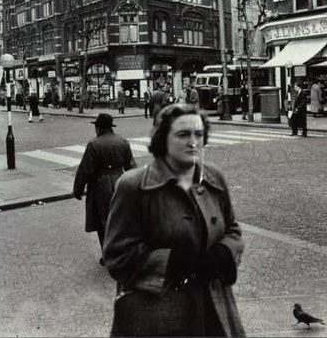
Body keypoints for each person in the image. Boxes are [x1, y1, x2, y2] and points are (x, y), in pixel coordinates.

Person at [103, 104, 244, 337]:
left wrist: (224, 254)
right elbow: (118, 256)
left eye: (199, 134)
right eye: (183, 134)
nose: (193, 142)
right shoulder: (133, 186)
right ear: (162, 139)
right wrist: (174, 262)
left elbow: (233, 228)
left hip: (214, 308)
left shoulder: (213, 177)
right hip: (159, 313)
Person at [73, 113, 136, 265]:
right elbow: (131, 166)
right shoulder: (123, 141)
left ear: (98, 127)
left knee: (104, 222)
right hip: (120, 182)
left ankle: (109, 255)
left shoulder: (94, 144)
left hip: (101, 185)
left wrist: (78, 189)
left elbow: (85, 170)